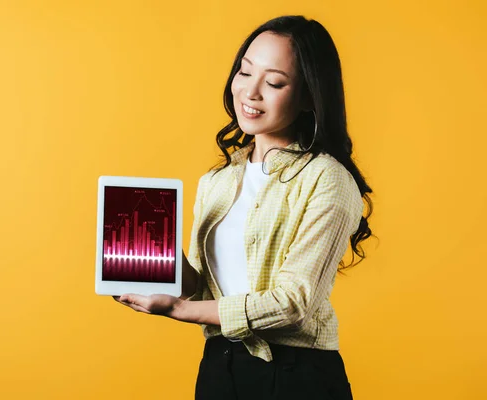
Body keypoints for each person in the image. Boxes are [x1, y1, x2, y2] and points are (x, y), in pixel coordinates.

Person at [114, 15, 374, 400]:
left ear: (307, 96)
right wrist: (152, 253)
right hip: (221, 367)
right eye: (244, 72)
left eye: (273, 82)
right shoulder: (217, 181)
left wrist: (176, 311)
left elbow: (293, 303)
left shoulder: (327, 179)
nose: (250, 92)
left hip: (298, 376)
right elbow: (201, 286)